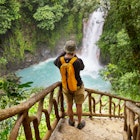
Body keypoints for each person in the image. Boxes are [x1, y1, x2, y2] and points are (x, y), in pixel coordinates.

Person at [54, 40, 85, 129]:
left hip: (66, 87)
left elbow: (55, 62)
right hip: (78, 86)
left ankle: (71, 121)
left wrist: (64, 53)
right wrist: (75, 56)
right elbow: (82, 68)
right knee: (79, 105)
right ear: (74, 50)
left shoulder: (60, 61)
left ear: (65, 50)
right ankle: (79, 123)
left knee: (69, 105)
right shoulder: (77, 61)